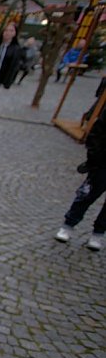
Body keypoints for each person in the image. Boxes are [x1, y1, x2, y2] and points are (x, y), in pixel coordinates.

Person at [54, 102, 106, 251]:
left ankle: (98, 233)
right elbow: (98, 131)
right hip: (103, 163)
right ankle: (68, 225)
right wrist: (95, 158)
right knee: (87, 194)